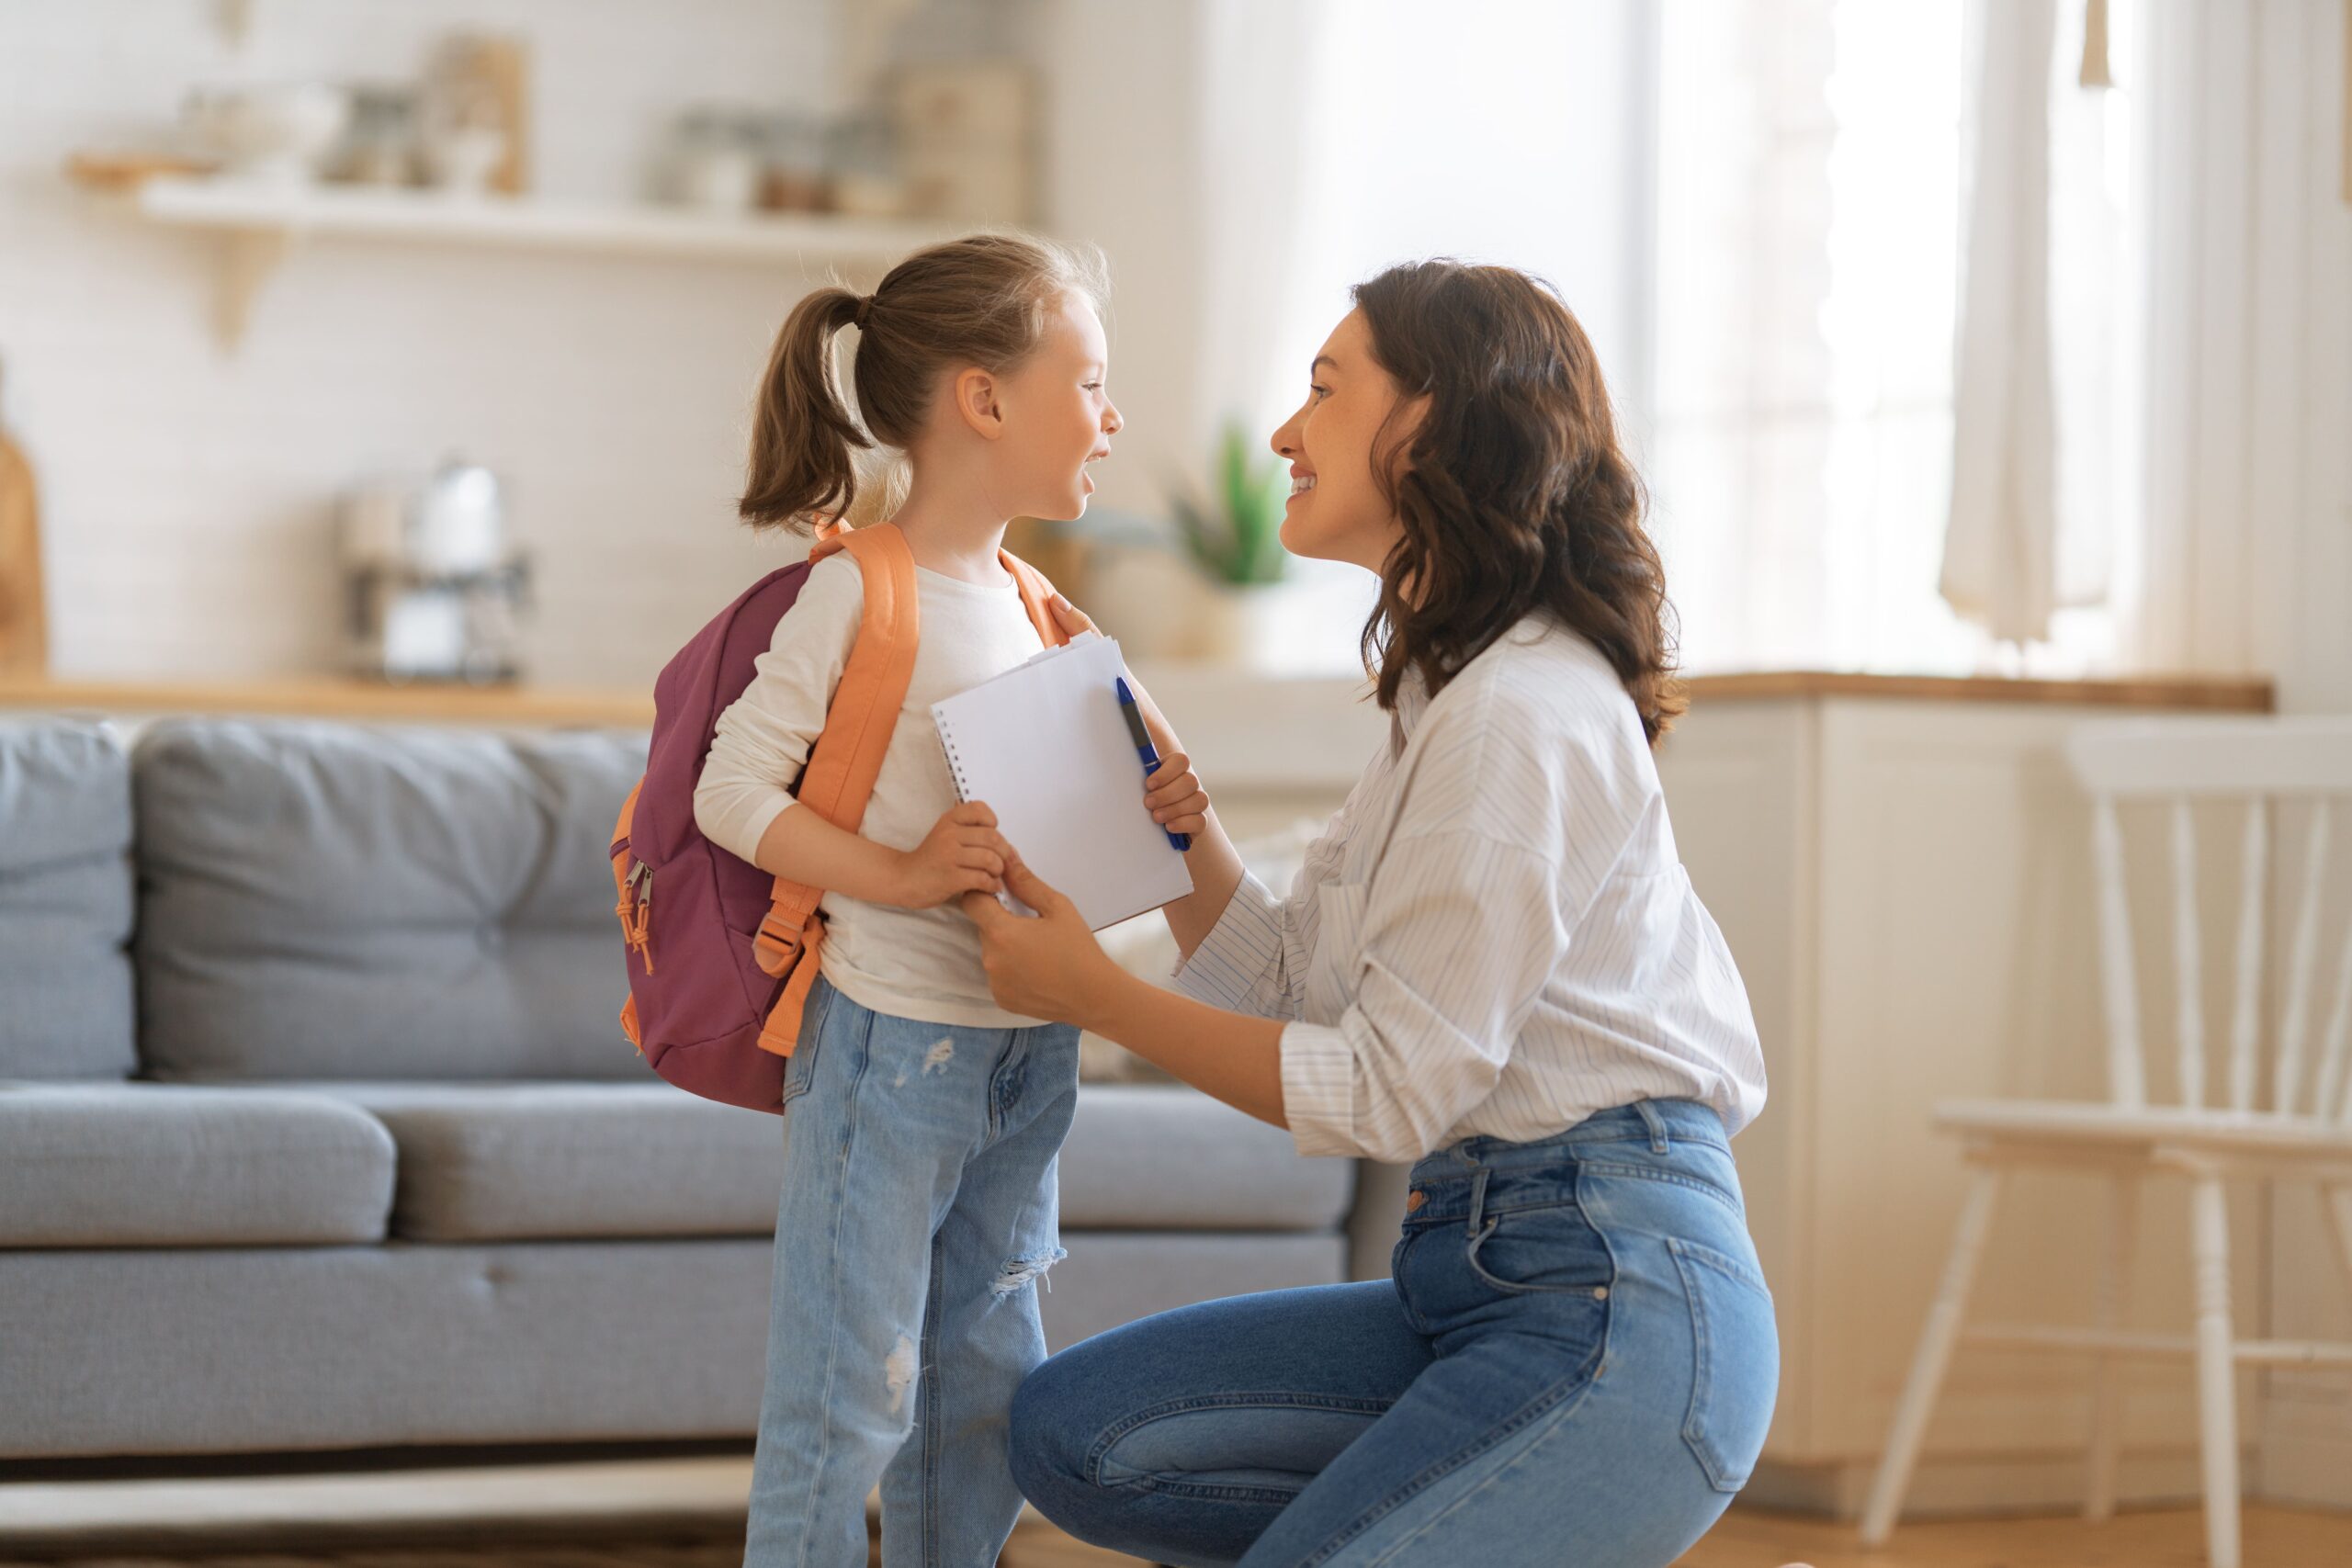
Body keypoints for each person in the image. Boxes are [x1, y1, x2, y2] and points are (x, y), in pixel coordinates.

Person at [964, 260, 1778, 1568]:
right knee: (1076, 1434)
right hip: (1471, 1278)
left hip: (1613, 1296)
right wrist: (1184, 843)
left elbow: (1386, 1094)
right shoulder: (1443, 702)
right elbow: (1297, 985)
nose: (1286, 432)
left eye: (1325, 390)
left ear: (1437, 425)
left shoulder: (1518, 718)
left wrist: (1096, 998)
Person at [691, 233, 1193, 1568]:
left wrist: (1163, 826)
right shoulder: (860, 589)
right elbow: (730, 794)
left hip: (1030, 1059)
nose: (1112, 415)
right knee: (849, 1392)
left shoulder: (1046, 616)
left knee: (982, 1400)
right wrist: (905, 877)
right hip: (889, 1051)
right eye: (1088, 382)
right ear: (984, 400)